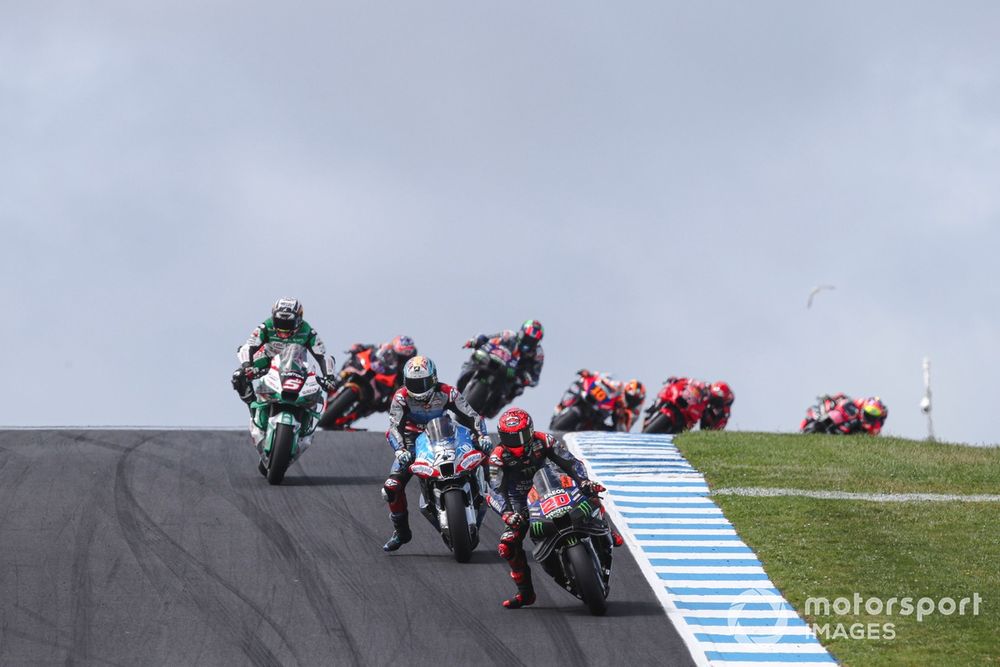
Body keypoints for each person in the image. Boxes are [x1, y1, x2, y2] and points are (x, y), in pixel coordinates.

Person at [488, 408, 620, 609]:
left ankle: (608, 529)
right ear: (501, 436)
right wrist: (507, 513)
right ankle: (525, 593)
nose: (517, 443)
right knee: (507, 545)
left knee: (590, 491)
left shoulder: (545, 440)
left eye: (521, 436)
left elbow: (571, 462)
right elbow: (495, 490)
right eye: (509, 438)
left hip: (555, 483)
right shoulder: (498, 458)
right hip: (522, 501)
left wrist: (583, 481)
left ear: (530, 431)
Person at [382, 356, 492, 552]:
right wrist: (400, 450)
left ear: (433, 379)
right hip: (412, 441)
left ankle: (494, 489)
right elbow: (394, 428)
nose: (417, 387)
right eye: (413, 383)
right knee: (390, 488)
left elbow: (472, 416)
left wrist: (482, 435)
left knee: (483, 450)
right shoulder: (401, 397)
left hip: (446, 434)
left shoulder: (447, 392)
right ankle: (401, 531)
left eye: (422, 382)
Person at [231, 297, 336, 410]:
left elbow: (322, 355)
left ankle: (308, 409)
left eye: (288, 323)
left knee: (321, 385)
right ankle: (253, 408)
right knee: (238, 376)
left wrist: (328, 377)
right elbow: (249, 346)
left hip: (296, 364)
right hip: (268, 359)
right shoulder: (265, 326)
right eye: (279, 321)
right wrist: (248, 366)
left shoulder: (307, 331)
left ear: (299, 319)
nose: (283, 328)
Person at [457, 320, 545, 400]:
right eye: (526, 338)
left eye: (532, 341)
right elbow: (487, 339)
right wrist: (476, 340)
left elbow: (535, 378)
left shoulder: (538, 354)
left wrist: (527, 378)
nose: (528, 343)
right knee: (477, 355)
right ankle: (465, 376)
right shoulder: (509, 335)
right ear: (521, 333)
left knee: (518, 389)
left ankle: (494, 405)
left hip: (512, 373)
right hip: (493, 360)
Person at [806, 394, 888, 435]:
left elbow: (874, 434)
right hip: (840, 416)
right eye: (868, 415)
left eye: (873, 417)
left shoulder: (877, 425)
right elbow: (845, 402)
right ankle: (823, 412)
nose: (870, 418)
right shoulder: (860, 403)